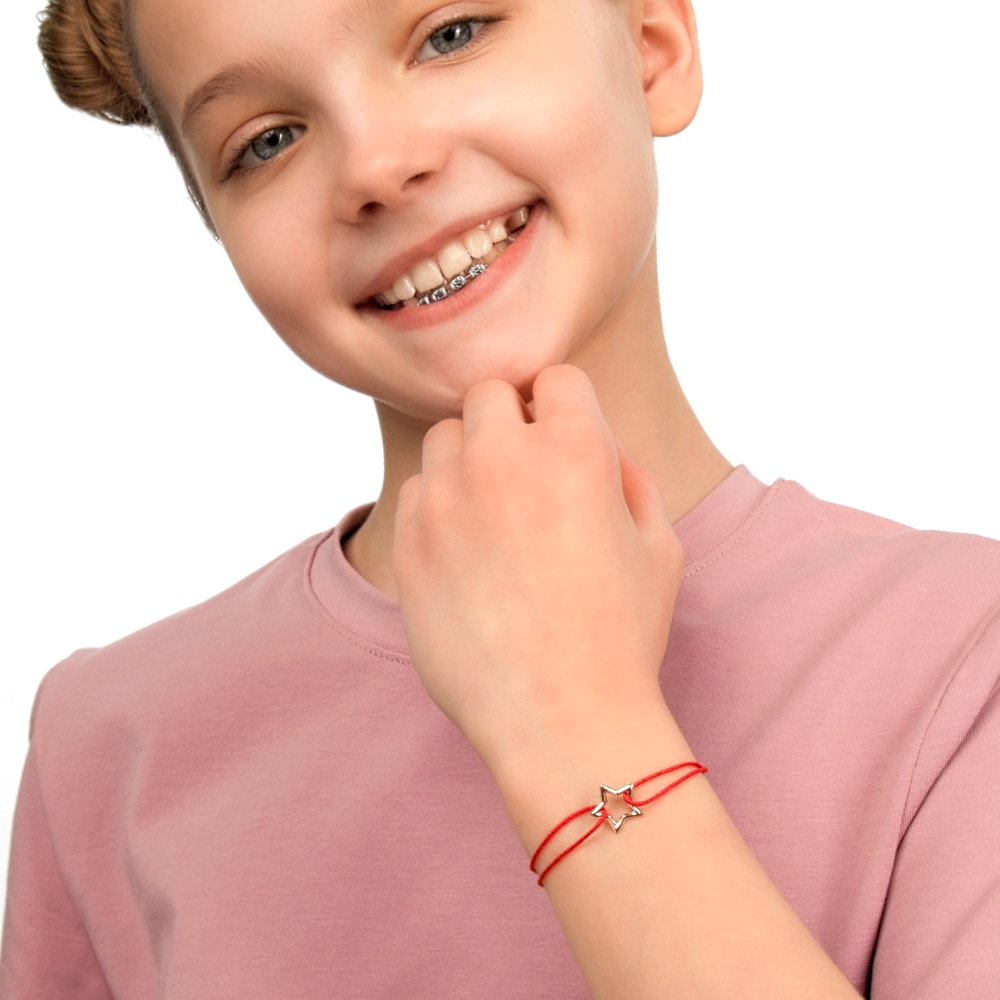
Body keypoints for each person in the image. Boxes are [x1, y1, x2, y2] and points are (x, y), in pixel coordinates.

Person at [1, 0, 997, 997]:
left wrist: (578, 715)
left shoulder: (964, 662)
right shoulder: (107, 748)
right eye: (266, 140)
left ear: (654, 45)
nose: (376, 166)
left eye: (451, 34)